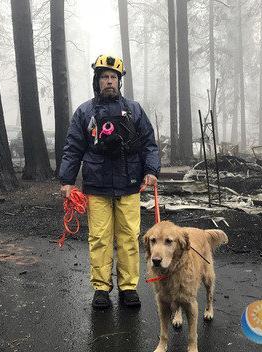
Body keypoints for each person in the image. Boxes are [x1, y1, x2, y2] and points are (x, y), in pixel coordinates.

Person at [58, 55, 160, 310]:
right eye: (105, 77)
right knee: (100, 238)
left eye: (113, 77)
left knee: (128, 237)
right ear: (97, 81)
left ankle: (128, 288)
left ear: (119, 82)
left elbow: (149, 144)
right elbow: (73, 148)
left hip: (130, 183)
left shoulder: (135, 110)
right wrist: (67, 181)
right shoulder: (84, 112)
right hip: (97, 186)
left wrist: (151, 170)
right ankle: (101, 288)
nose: (109, 82)